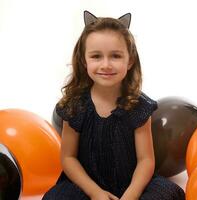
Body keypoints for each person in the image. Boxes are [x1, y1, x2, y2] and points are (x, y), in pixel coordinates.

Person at [42, 10, 185, 200]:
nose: (106, 64)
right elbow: (68, 158)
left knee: (169, 194)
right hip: (86, 186)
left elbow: (146, 160)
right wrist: (95, 193)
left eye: (116, 56)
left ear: (130, 61)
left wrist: (131, 195)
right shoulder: (75, 105)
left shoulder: (138, 105)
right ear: (84, 60)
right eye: (96, 56)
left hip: (132, 184)